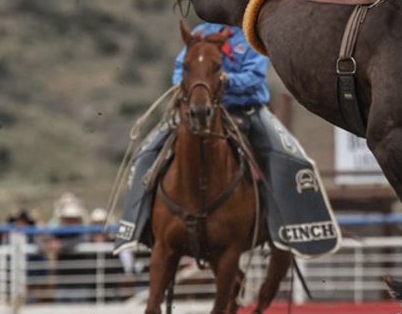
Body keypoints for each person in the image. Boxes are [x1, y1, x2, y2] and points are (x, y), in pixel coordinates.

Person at [112, 23, 319, 257]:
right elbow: (180, 69)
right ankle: (136, 226)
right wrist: (194, 83)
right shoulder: (200, 33)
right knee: (146, 154)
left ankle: (287, 225)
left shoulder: (251, 36)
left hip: (247, 109)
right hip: (199, 106)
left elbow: (255, 77)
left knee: (286, 156)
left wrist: (225, 80)